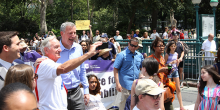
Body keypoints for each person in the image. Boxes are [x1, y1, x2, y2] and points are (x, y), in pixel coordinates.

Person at [36, 36, 101, 109]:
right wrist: (88, 54)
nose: (60, 50)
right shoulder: (45, 63)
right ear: (46, 50)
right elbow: (64, 68)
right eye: (56, 47)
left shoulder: (49, 63)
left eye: (59, 47)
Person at [57, 22, 102, 110]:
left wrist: (86, 90)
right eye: (70, 33)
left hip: (76, 92)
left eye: (75, 33)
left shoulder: (78, 48)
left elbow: (82, 70)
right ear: (62, 34)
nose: (73, 35)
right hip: (59, 93)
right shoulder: (55, 49)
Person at [114, 38, 144, 110]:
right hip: (125, 85)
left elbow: (142, 68)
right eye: (132, 45)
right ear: (128, 44)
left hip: (137, 85)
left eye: (135, 46)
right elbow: (115, 69)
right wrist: (117, 84)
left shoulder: (140, 55)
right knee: (124, 105)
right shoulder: (121, 55)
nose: (133, 47)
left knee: (136, 105)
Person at [148, 37, 175, 110]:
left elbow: (164, 72)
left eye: (163, 45)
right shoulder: (150, 59)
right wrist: (160, 70)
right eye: (160, 46)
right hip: (155, 90)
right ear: (154, 47)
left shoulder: (162, 58)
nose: (162, 47)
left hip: (165, 89)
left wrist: (168, 70)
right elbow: (147, 75)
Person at [164, 41, 186, 110]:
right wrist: (171, 63)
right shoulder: (167, 54)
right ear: (169, 47)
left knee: (178, 88)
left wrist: (177, 62)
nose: (173, 47)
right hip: (169, 70)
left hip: (175, 70)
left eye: (174, 46)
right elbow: (164, 65)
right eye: (172, 46)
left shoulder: (176, 54)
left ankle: (181, 106)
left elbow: (176, 64)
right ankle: (169, 105)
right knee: (170, 88)